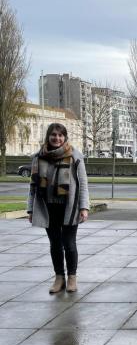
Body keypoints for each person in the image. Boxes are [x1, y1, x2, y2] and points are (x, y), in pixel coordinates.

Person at [27, 123, 89, 293]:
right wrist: (31, 209)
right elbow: (33, 185)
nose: (57, 138)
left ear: (65, 137)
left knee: (69, 243)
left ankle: (72, 278)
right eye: (53, 135)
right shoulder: (38, 157)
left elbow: (82, 184)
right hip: (48, 207)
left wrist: (84, 207)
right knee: (55, 244)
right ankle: (59, 277)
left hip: (69, 207)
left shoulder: (75, 156)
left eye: (60, 135)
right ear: (48, 136)